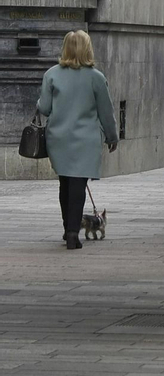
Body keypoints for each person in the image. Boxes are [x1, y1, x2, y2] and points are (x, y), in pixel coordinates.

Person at [36, 30, 117, 249]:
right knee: (78, 184)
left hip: (59, 138)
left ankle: (67, 228)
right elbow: (106, 112)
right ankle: (73, 231)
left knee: (65, 183)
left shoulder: (52, 74)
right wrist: (112, 136)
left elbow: (44, 108)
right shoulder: (96, 78)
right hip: (86, 139)